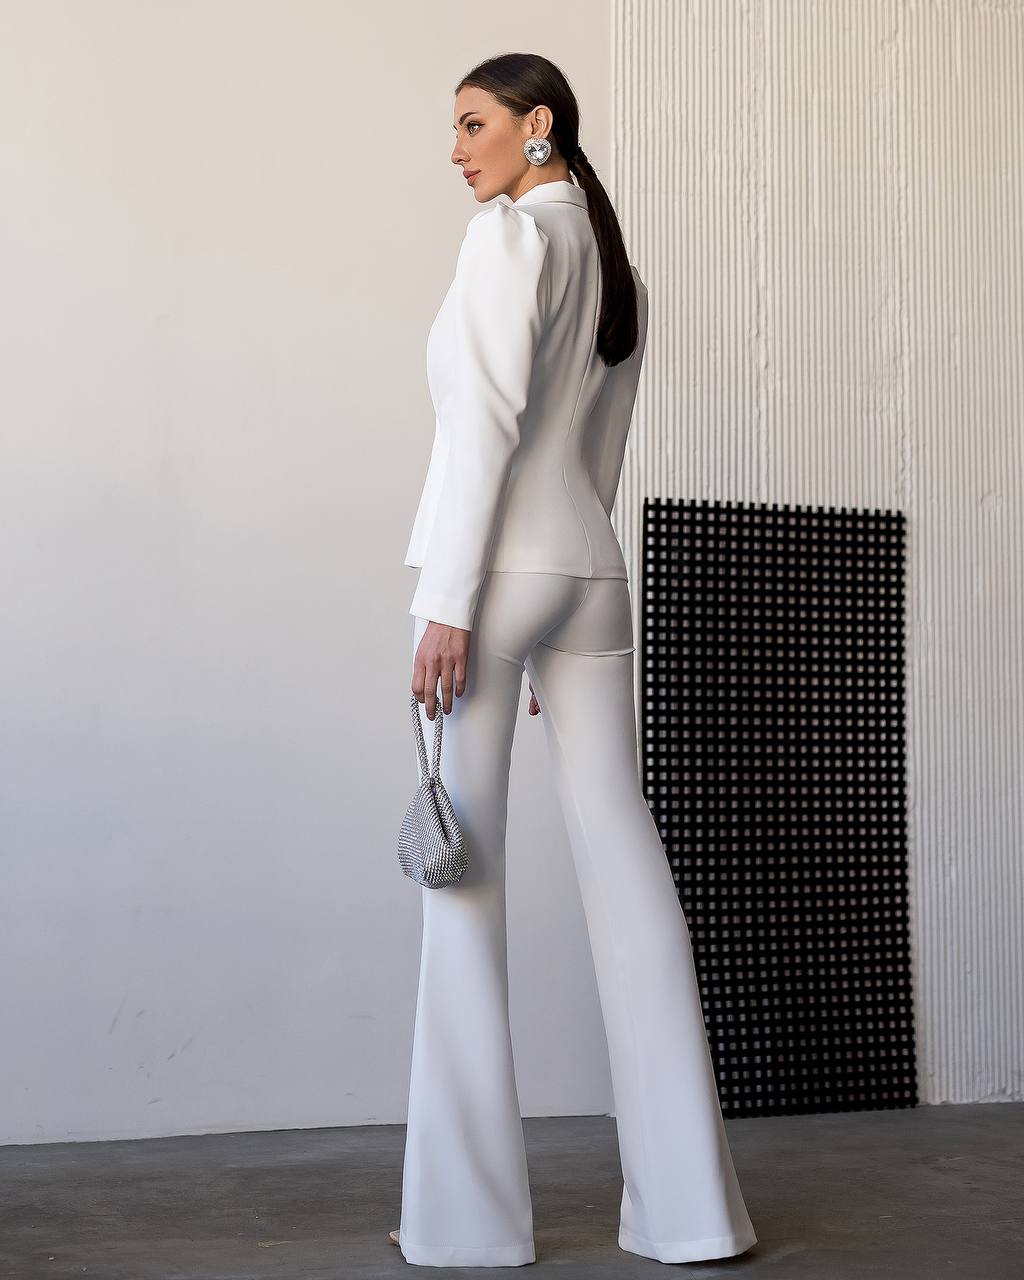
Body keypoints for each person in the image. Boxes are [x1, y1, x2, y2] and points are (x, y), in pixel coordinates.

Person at [392, 52, 757, 1268]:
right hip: (589, 569)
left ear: (535, 125)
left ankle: (464, 1222)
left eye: (473, 122)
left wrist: (451, 606)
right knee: (626, 857)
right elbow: (598, 449)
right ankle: (692, 1213)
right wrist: (563, 612)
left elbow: (489, 424)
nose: (457, 148)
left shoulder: (507, 242)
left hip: (493, 575)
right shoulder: (616, 268)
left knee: (466, 879)